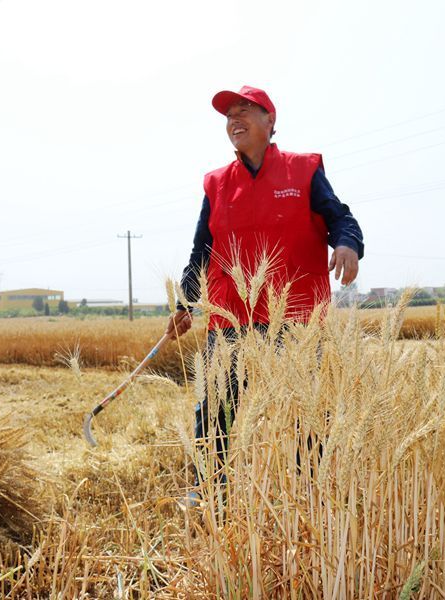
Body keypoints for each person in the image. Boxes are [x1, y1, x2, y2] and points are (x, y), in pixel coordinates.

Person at [165, 85, 364, 498]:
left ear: (270, 122)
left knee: (305, 411)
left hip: (295, 321)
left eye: (244, 111)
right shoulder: (217, 184)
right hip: (230, 318)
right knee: (216, 408)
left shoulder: (303, 170)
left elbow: (340, 217)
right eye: (228, 115)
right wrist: (185, 303)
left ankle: (310, 490)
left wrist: (347, 244)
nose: (233, 120)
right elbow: (202, 250)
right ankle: (208, 490)